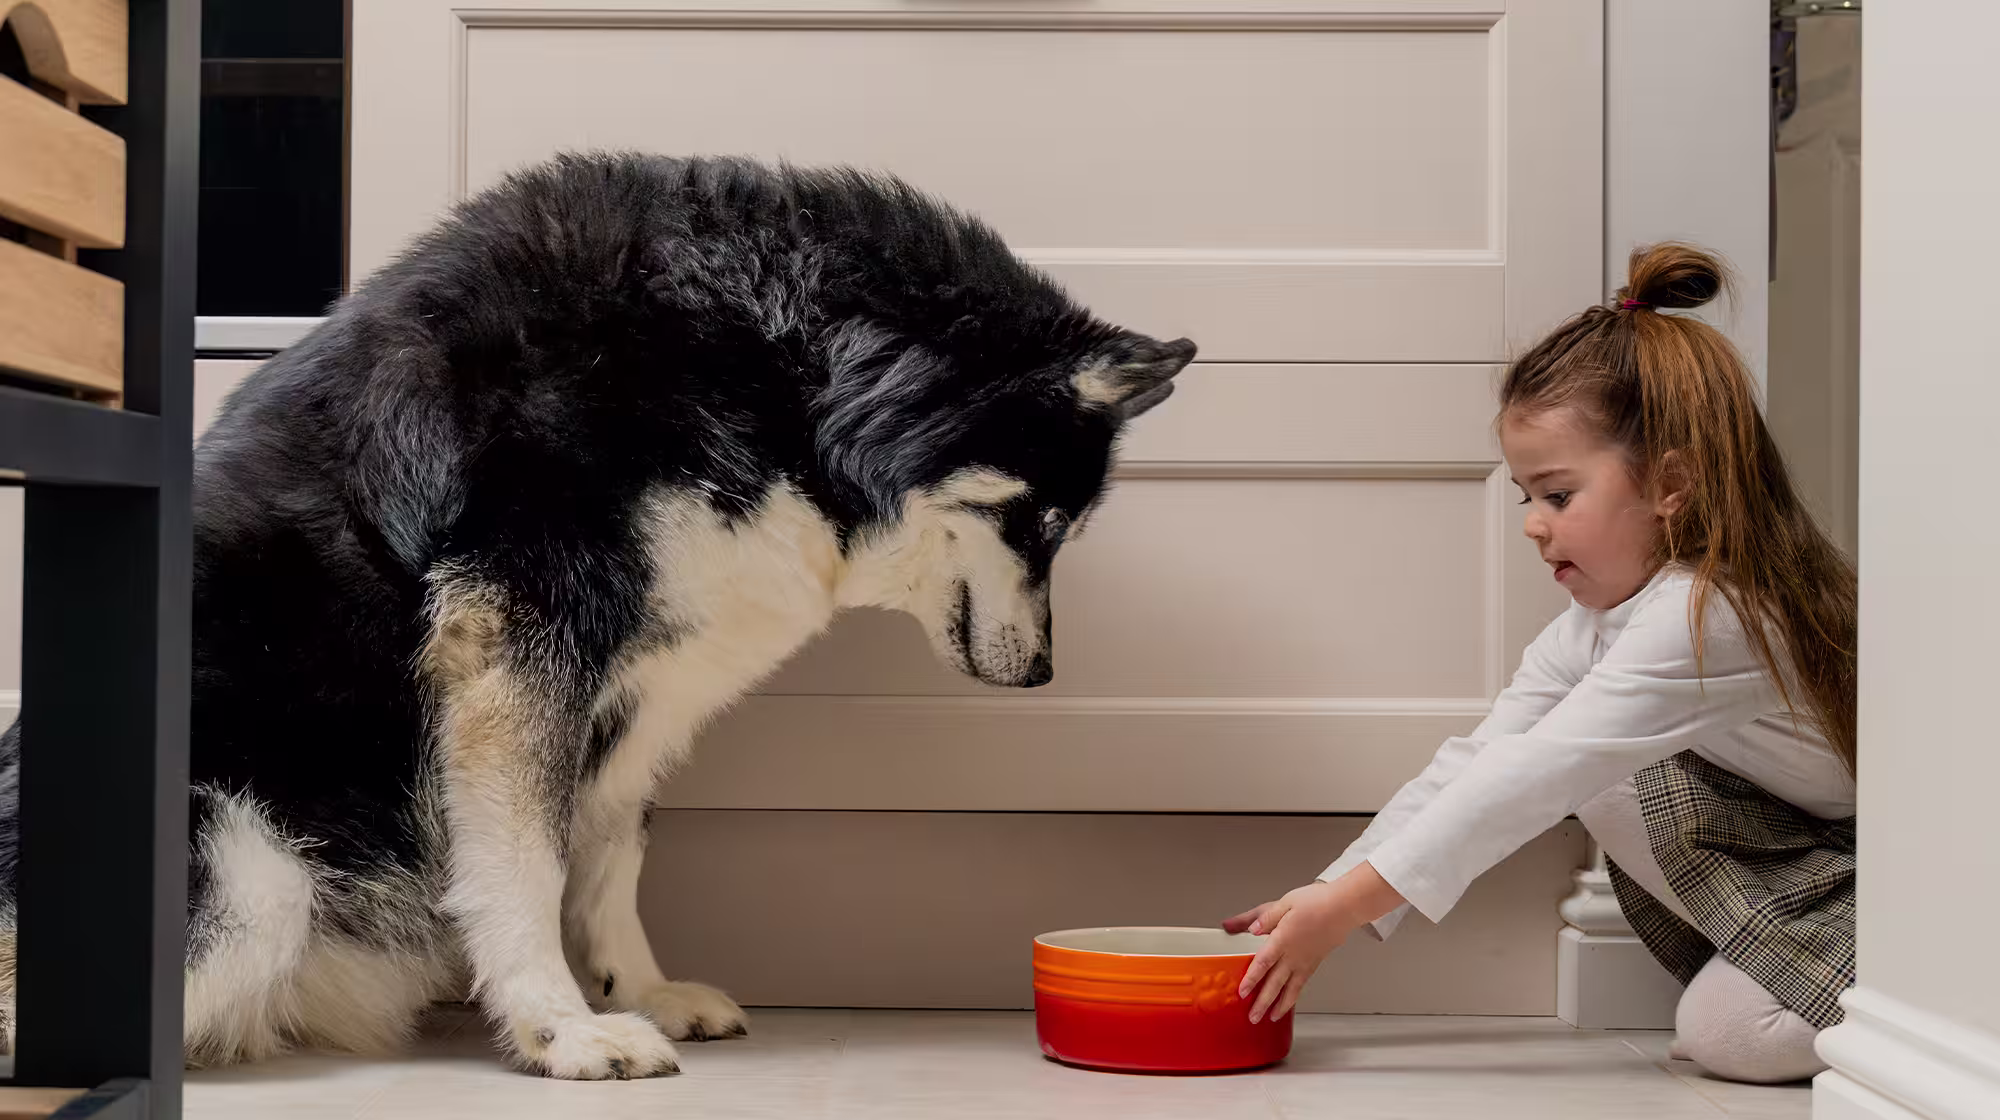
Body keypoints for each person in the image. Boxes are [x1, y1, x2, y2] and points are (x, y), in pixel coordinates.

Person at [1225, 243, 1858, 1085]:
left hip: (1866, 869)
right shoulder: (1595, 623)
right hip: (1806, 863)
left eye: (1558, 495)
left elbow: (1539, 773)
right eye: (1528, 497)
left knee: (1591, 771)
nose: (1532, 521)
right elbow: (1479, 757)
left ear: (1672, 484)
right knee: (1721, 1030)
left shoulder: (1712, 615)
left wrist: (1344, 911)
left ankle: (1950, 983)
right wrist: (1326, 888)